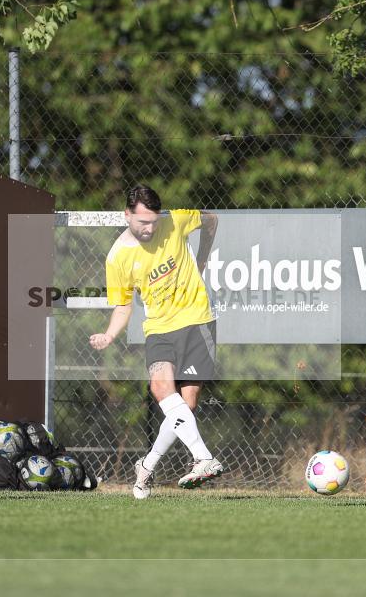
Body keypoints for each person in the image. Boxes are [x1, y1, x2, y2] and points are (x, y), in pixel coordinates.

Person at [90, 185, 223, 499]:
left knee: (186, 407)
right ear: (127, 216)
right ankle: (204, 458)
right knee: (161, 388)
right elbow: (123, 305)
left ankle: (146, 466)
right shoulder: (118, 258)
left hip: (198, 320)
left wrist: (201, 260)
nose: (148, 229)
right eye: (141, 223)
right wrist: (109, 334)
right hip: (160, 329)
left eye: (152, 222)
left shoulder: (175, 221)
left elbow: (212, 220)